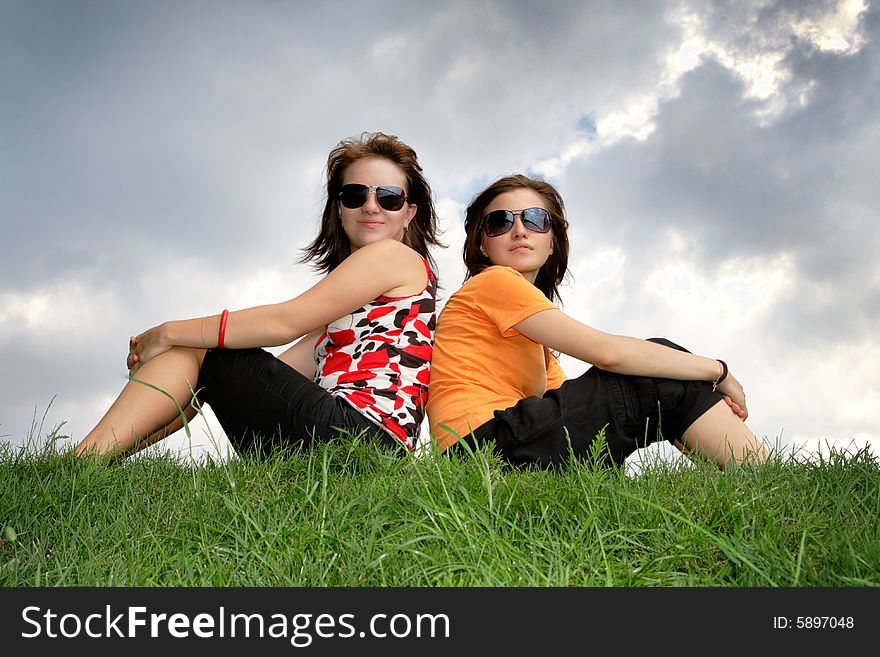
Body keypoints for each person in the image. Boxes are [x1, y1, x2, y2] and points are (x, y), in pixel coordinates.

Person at [75, 131, 441, 459]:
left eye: (389, 197)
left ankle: (83, 459)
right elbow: (232, 383)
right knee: (210, 353)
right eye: (355, 194)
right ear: (339, 208)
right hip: (361, 448)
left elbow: (284, 322)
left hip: (359, 436)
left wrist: (167, 333)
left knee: (207, 345)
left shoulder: (394, 257)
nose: (371, 206)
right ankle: (91, 463)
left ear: (408, 214)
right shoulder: (346, 324)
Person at [427, 174, 768, 470]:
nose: (519, 230)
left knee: (667, 374)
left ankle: (750, 477)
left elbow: (566, 402)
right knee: (658, 362)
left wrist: (679, 407)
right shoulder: (494, 282)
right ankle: (767, 478)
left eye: (535, 219)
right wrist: (718, 371)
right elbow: (608, 353)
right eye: (500, 222)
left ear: (551, 243)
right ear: (483, 245)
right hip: (485, 443)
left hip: (495, 446)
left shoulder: (531, 335)